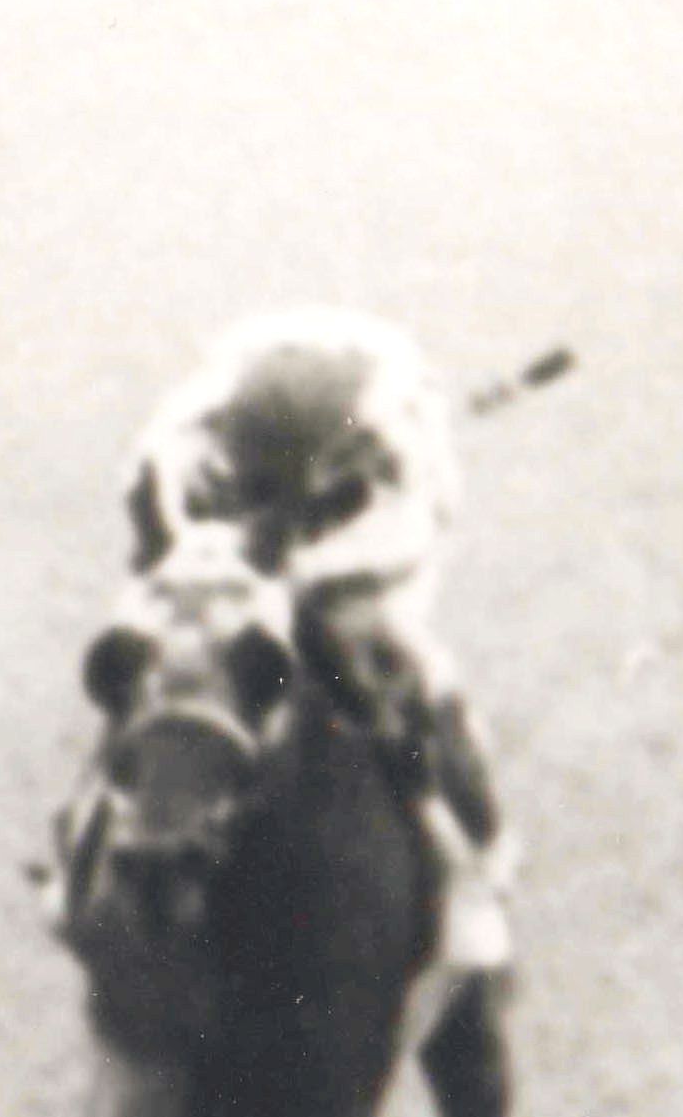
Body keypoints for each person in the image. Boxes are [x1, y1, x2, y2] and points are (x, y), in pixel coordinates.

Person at [66, 306, 512, 980]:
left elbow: (405, 539)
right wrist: (198, 558)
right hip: (230, 540)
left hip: (357, 548)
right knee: (147, 648)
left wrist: (305, 579)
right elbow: (154, 507)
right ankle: (89, 831)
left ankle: (468, 858)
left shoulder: (402, 445)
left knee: (396, 658)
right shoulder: (192, 425)